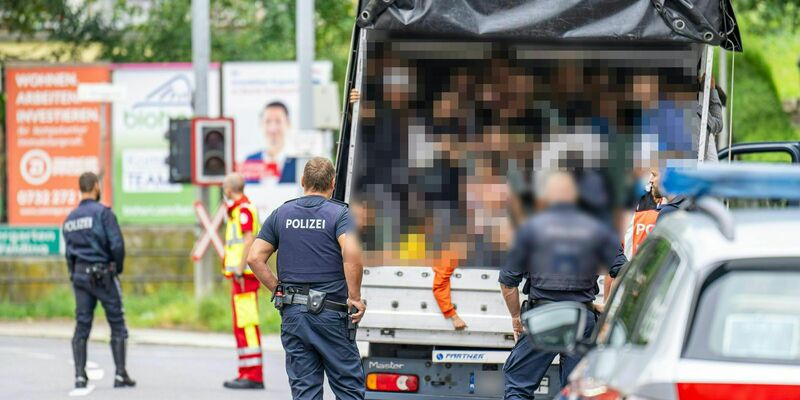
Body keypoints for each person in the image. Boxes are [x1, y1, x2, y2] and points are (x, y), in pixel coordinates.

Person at [247, 157, 367, 400]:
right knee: (348, 390)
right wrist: (355, 298)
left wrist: (278, 289)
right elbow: (352, 253)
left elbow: (254, 258)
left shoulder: (281, 214)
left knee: (305, 392)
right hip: (331, 316)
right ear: (332, 184)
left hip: (293, 316)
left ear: (303, 181)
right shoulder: (340, 215)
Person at [499, 172, 619, 400]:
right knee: (579, 392)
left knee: (518, 387)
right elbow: (623, 270)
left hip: (543, 319)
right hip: (582, 320)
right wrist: (608, 307)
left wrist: (516, 317)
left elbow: (508, 283)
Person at [63, 172, 135, 389]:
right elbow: (117, 245)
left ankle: (79, 376)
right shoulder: (103, 214)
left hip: (80, 276)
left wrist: (74, 275)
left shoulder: (70, 219)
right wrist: (116, 267)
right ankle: (120, 374)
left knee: (82, 325)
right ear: (95, 186)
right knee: (117, 323)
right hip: (103, 275)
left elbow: (69, 254)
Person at [221, 173, 265, 390]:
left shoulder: (244, 209)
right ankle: (246, 371)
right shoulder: (239, 209)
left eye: (224, 187)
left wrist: (239, 269)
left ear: (230, 189)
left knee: (246, 325)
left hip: (244, 278)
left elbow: (248, 240)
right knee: (242, 325)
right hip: (241, 278)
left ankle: (253, 374)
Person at [243, 101, 297, 183]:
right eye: (268, 121)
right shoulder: (250, 161)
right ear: (261, 124)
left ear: (288, 124)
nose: (273, 128)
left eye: (278, 121)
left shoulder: (297, 162)